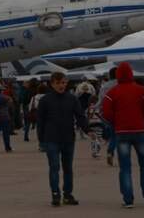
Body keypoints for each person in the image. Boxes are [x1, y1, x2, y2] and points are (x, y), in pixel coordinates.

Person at [103, 62, 144, 208]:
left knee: (125, 167)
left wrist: (115, 122)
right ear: (131, 74)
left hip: (121, 133)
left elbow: (106, 112)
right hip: (140, 130)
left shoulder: (113, 92)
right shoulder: (141, 90)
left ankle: (128, 200)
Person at [37, 72, 90, 207]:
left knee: (68, 168)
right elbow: (40, 121)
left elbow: (80, 116)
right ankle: (55, 194)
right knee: (54, 167)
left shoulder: (72, 99)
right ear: (52, 83)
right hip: (51, 139)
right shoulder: (45, 100)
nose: (62, 85)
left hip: (68, 138)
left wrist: (88, 130)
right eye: (59, 83)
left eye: (64, 83)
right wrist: (41, 140)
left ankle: (67, 194)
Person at [96, 71, 118, 166]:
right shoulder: (120, 84)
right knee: (120, 136)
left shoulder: (104, 86)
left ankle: (110, 151)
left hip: (107, 114)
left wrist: (96, 109)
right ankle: (116, 153)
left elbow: (100, 101)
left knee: (113, 134)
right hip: (119, 113)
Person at [29, 83, 48, 151]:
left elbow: (30, 107)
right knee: (47, 130)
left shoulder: (34, 97)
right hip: (48, 115)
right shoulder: (48, 97)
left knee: (40, 130)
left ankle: (41, 145)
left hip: (38, 115)